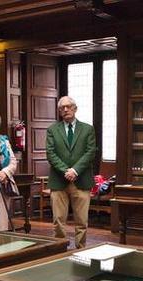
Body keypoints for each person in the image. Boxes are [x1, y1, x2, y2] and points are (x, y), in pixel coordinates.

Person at [46, 96, 97, 248]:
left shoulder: (88, 129)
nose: (66, 110)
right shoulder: (52, 130)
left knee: (81, 221)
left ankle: (81, 249)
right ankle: (59, 249)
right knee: (58, 221)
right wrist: (65, 171)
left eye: (68, 106)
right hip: (59, 181)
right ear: (59, 111)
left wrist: (75, 170)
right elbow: (50, 153)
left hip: (81, 181)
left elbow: (90, 152)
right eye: (62, 108)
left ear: (75, 108)